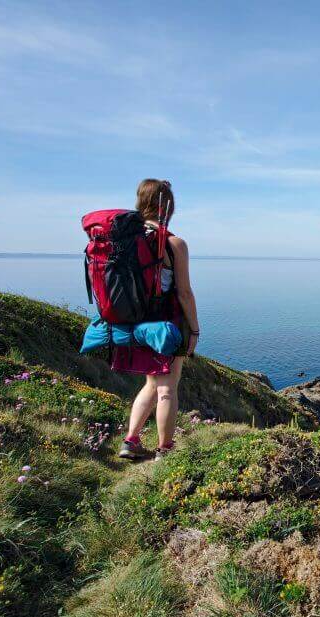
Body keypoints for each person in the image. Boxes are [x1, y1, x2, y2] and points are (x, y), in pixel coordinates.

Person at [118, 179, 200, 459]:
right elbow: (185, 292)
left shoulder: (126, 240)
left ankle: (130, 441)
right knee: (167, 387)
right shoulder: (174, 244)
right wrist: (195, 330)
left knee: (151, 383)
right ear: (168, 206)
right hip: (167, 324)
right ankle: (164, 449)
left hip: (135, 322)